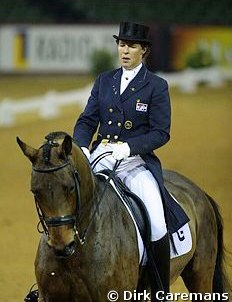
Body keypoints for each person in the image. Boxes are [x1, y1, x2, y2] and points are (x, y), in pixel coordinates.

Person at [73, 22, 171, 299]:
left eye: (131, 46)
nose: (125, 50)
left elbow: (161, 132)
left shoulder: (156, 86)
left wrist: (128, 148)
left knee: (157, 218)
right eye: (121, 44)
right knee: (69, 202)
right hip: (101, 156)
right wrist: (82, 147)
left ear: (144, 51)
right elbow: (87, 120)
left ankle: (159, 289)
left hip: (136, 163)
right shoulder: (105, 80)